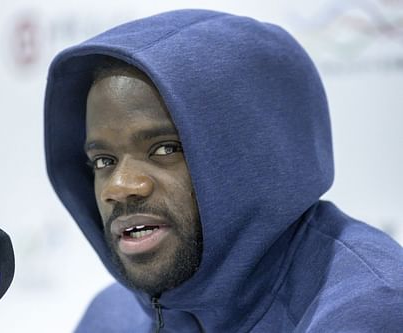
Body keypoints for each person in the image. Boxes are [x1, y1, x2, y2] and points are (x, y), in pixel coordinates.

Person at [44, 9, 403, 332]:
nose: (119, 187)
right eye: (104, 161)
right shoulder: (112, 316)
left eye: (165, 149)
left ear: (255, 155)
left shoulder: (368, 310)